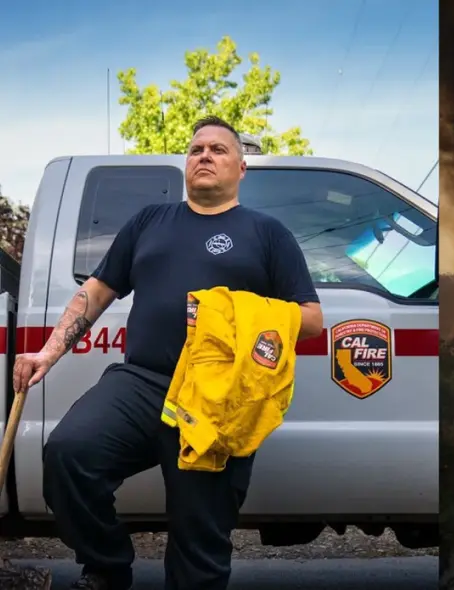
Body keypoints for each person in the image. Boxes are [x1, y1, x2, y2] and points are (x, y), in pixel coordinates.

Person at [12, 116, 324, 590]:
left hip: (217, 398)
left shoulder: (267, 233)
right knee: (69, 454)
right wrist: (45, 355)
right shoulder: (149, 222)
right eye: (196, 148)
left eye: (218, 150)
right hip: (141, 382)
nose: (204, 155)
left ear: (241, 168)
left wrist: (232, 310)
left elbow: (311, 319)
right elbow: (93, 295)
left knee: (199, 543)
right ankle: (108, 566)